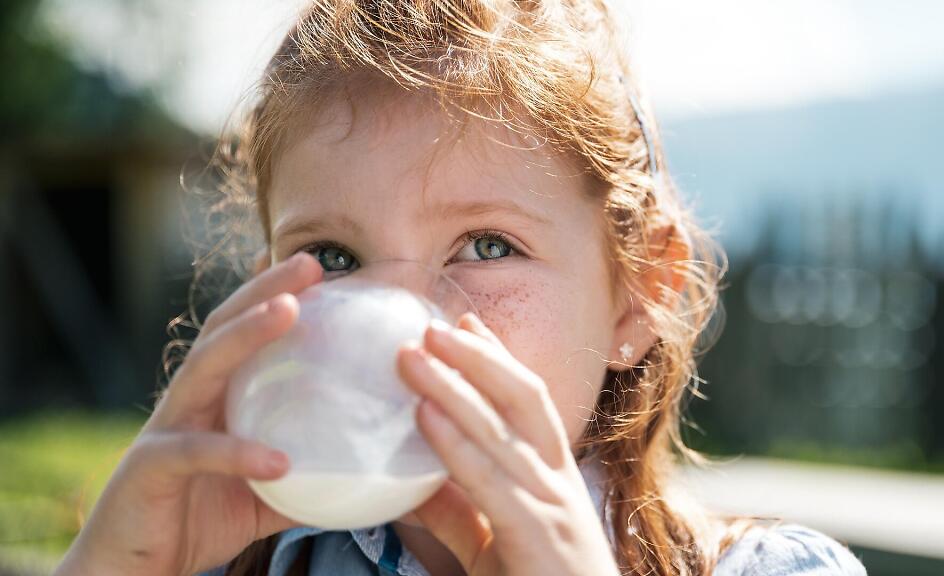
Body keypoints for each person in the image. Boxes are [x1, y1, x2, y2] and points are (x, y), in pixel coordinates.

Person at [56, 1, 867, 575]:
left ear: (637, 292)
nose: (401, 319)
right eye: (333, 256)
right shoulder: (222, 560)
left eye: (486, 246)